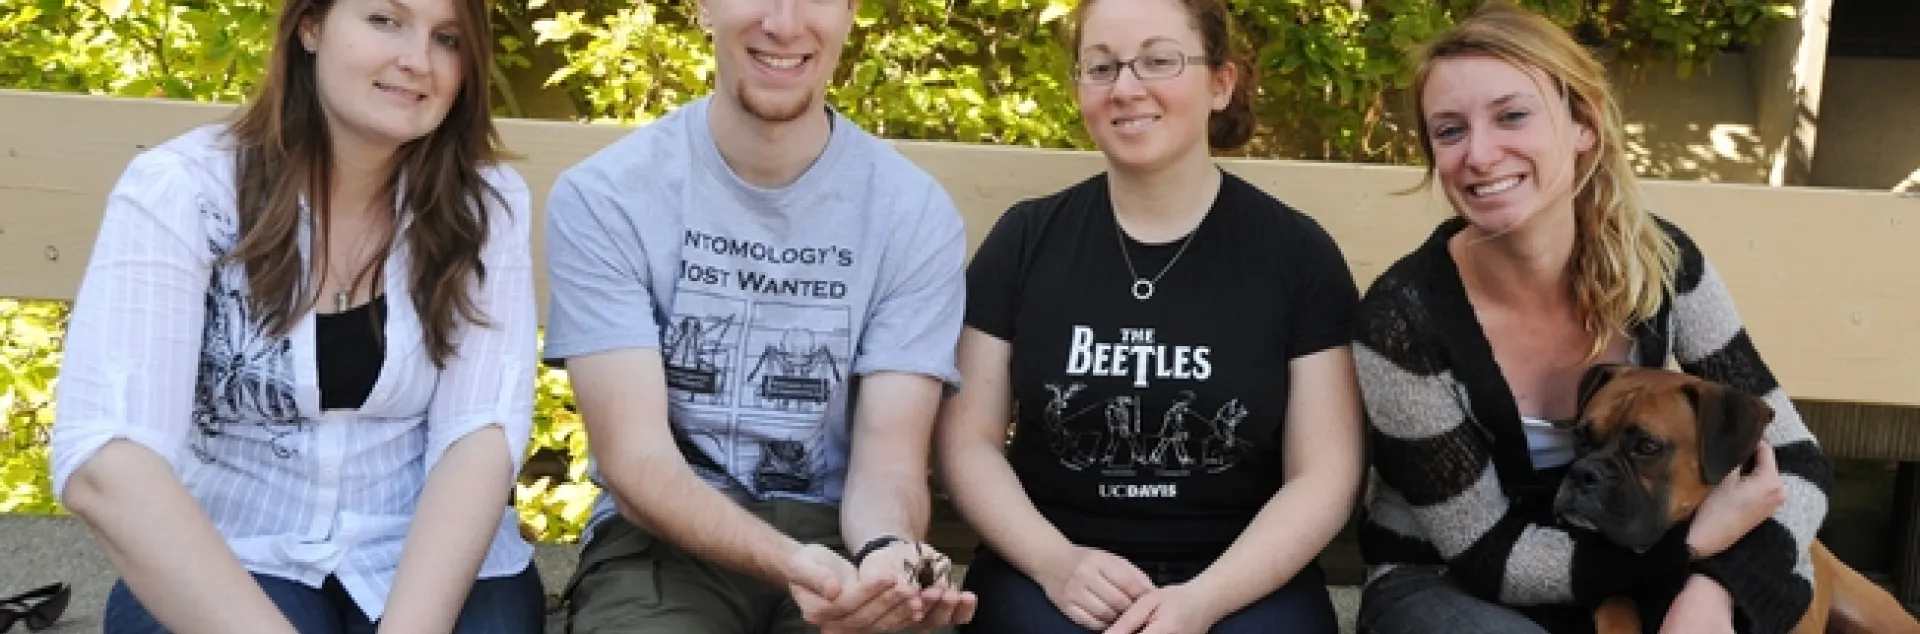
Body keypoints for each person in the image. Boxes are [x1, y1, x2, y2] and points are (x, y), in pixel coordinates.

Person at [46, 0, 543, 632]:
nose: (417, 61)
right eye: (384, 21)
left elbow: (477, 433)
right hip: (234, 553)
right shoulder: (183, 192)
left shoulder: (485, 207)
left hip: (423, 552)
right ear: (310, 26)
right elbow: (109, 458)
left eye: (447, 39)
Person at [1350, 3, 1831, 634]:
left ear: (1584, 125)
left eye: (1512, 115)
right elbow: (1487, 556)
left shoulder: (1660, 262)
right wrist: (1690, 550)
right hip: (1448, 583)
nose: (1481, 153)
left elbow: (1797, 462)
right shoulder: (1400, 324)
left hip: (1628, 565)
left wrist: (1717, 584)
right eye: (1449, 131)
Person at [538, 0, 978, 632]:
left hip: (842, 540)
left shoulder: (912, 213)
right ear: (703, 7)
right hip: (660, 545)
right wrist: (793, 563)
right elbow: (637, 462)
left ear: (851, 13)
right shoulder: (608, 197)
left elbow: (888, 464)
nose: (785, 22)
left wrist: (887, 552)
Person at [933, 0, 1365, 632]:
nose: (1127, 89)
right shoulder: (1025, 240)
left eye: (1159, 61)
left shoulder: (1297, 255)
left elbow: (1324, 474)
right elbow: (966, 442)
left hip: (1246, 577)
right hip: (1052, 569)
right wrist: (1055, 562)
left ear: (1221, 82)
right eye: (1101, 67)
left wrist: (1205, 599)